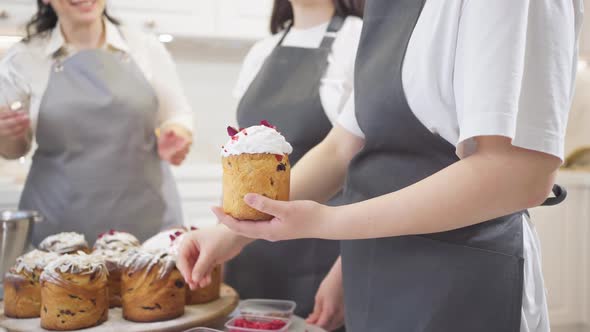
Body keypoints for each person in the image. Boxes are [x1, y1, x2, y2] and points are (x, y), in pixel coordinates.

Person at [179, 0, 583, 331]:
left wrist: (325, 222)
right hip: (374, 278)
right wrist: (232, 232)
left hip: (458, 285)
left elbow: (517, 173)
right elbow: (343, 146)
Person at [0, 0, 193, 244]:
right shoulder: (24, 59)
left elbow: (177, 115)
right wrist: (7, 134)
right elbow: (13, 149)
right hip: (58, 227)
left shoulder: (145, 47)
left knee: (149, 283)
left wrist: (176, 134)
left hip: (147, 223)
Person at [229, 0, 363, 329]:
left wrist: (350, 269)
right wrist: (223, 234)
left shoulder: (359, 38)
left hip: (324, 255)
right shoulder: (262, 51)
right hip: (254, 254)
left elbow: (370, 168)